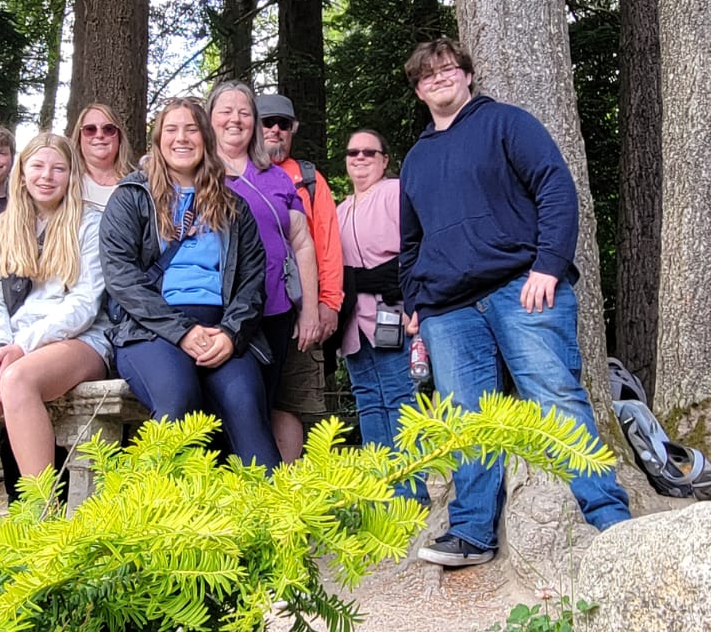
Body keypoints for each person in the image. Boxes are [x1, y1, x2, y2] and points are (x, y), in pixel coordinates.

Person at [400, 38, 631, 567]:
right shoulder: (415, 160)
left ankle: (609, 516)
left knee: (555, 395)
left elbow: (555, 187)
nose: (439, 78)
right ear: (419, 90)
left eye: (448, 69)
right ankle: (472, 532)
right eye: (428, 75)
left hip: (521, 285)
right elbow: (410, 242)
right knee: (466, 420)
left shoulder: (507, 123)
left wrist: (548, 265)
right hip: (447, 310)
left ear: (467, 75)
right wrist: (415, 302)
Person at [101, 98, 280, 468]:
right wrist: (181, 331)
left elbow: (252, 283)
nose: (181, 138)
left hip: (220, 328)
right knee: (178, 399)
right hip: (151, 329)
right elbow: (121, 277)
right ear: (158, 140)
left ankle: (271, 505)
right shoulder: (131, 197)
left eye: (191, 129)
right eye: (171, 129)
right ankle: (157, 501)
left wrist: (231, 334)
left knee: (246, 403)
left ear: (206, 139)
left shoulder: (234, 207)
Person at [0, 134, 110, 525]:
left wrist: (22, 346)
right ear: (22, 173)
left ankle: (44, 517)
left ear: (71, 175)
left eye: (58, 168)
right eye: (37, 167)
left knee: (17, 380)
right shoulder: (4, 226)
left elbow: (84, 303)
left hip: (80, 338)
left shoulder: (89, 224)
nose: (46, 176)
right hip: (11, 341)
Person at [206, 82, 320, 430]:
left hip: (274, 309)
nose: (235, 119)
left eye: (244, 112)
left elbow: (302, 242)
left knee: (265, 404)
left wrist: (310, 310)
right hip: (218, 310)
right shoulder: (196, 172)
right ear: (209, 118)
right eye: (226, 111)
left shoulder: (277, 177)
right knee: (221, 408)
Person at [336, 130, 426, 504]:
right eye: (353, 152)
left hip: (392, 312)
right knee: (368, 400)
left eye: (369, 152)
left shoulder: (395, 193)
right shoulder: (340, 210)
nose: (360, 158)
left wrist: (414, 300)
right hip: (353, 323)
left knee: (401, 397)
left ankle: (412, 492)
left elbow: (418, 245)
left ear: (384, 159)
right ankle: (380, 491)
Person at [255, 93, 343, 462]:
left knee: (290, 402)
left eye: (284, 124)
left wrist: (328, 303)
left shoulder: (309, 179)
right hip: (248, 308)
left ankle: (287, 482)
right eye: (267, 122)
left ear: (293, 129)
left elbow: (327, 244)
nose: (275, 130)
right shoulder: (229, 170)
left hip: (298, 311)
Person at [69, 102, 135, 209]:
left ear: (119, 137)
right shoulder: (66, 183)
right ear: (79, 138)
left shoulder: (137, 185)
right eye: (90, 129)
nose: (99, 135)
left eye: (108, 129)